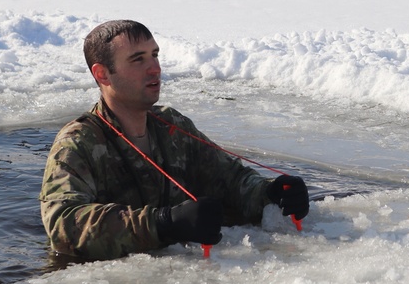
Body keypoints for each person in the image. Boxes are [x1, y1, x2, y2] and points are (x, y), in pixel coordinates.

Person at [40, 19, 310, 260]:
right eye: (138, 60)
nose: (155, 69)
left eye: (155, 55)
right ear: (102, 74)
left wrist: (270, 193)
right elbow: (63, 224)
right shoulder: (78, 141)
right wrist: (162, 224)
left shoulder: (172, 125)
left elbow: (228, 177)